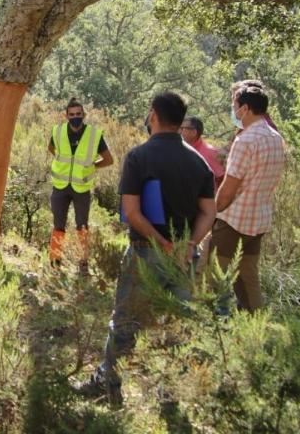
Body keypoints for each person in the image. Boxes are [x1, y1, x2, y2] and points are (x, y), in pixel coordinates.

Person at [76, 92, 216, 406]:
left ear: (153, 115)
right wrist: (189, 244)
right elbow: (209, 211)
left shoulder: (139, 157)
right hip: (184, 258)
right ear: (181, 122)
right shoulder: (199, 162)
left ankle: (108, 386)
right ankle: (170, 396)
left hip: (145, 252)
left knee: (125, 322)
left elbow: (133, 212)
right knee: (177, 325)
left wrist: (161, 242)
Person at [212, 81, 286, 312]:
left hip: (234, 219)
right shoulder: (275, 137)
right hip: (259, 219)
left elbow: (229, 186)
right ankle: (255, 329)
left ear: (245, 108)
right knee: (247, 277)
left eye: (235, 105)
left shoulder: (245, 140)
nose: (234, 111)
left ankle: (206, 328)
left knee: (211, 272)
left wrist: (213, 215)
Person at [47, 97, 114, 273]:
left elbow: (108, 159)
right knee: (58, 224)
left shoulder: (94, 134)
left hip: (81, 188)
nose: (75, 117)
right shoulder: (57, 131)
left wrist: (92, 166)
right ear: (66, 115)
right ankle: (55, 262)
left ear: (84, 114)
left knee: (82, 225)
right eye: (72, 114)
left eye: (78, 114)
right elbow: (51, 149)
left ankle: (83, 263)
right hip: (60, 186)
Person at [180, 116, 225, 189]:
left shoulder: (210, 152)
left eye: (182, 128)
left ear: (194, 132)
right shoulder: (181, 149)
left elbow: (221, 179)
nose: (179, 131)